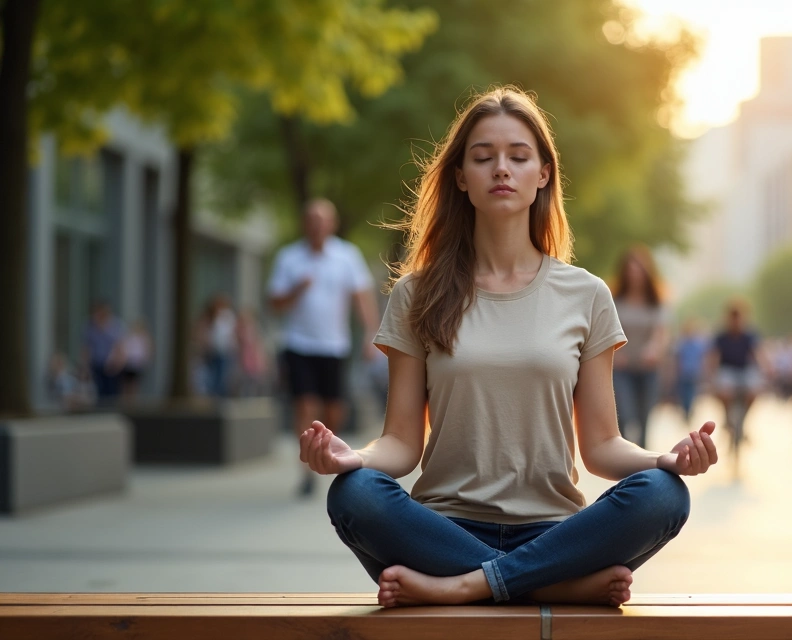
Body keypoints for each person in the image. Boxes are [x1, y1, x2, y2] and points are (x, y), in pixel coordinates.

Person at [299, 88, 714, 608]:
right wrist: (351, 457)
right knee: (354, 494)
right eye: (483, 157)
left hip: (553, 532)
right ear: (460, 178)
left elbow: (602, 446)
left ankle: (469, 586)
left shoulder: (586, 295)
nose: (501, 169)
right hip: (441, 529)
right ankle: (549, 585)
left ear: (543, 174)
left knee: (662, 494)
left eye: (518, 157)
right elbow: (402, 443)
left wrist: (665, 458)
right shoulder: (416, 294)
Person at [269, 198, 380, 497]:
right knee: (305, 405)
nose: (317, 226)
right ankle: (305, 469)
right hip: (299, 344)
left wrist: (371, 335)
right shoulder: (289, 258)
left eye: (323, 220)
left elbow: (362, 298)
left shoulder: (347, 256)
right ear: (305, 224)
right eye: (312, 220)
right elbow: (275, 303)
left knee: (334, 409)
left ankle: (325, 450)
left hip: (334, 345)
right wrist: (296, 290)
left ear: (332, 224)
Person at [610, 246, 670, 448]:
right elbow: (606, 330)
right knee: (625, 417)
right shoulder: (615, 300)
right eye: (630, 269)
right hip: (622, 369)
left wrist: (654, 349)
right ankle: (624, 463)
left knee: (645, 420)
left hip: (647, 369)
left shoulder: (655, 302)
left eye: (638, 269)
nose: (634, 273)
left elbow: (660, 333)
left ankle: (642, 468)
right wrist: (616, 353)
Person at [708, 300, 768, 442]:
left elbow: (758, 353)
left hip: (744, 371)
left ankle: (743, 421)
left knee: (754, 391)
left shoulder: (749, 335)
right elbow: (713, 357)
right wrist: (711, 374)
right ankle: (727, 417)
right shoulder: (721, 336)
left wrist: (766, 369)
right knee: (724, 390)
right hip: (727, 370)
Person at [196, 293, 238, 398]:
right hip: (211, 354)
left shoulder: (227, 318)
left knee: (222, 378)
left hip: (224, 353)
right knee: (212, 379)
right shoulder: (207, 320)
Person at [82, 300, 124, 404]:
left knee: (112, 391)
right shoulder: (90, 326)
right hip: (96, 363)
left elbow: (120, 346)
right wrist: (85, 365)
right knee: (99, 390)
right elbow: (86, 348)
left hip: (112, 364)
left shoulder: (115, 325)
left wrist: (118, 363)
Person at [672, 317, 710, 423]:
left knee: (691, 393)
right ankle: (686, 410)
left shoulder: (696, 343)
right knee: (685, 393)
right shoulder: (683, 343)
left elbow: (702, 358)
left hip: (693, 372)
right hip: (684, 372)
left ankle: (688, 410)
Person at [116, 318, 153, 401]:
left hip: (137, 365)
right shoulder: (129, 337)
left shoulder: (144, 338)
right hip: (128, 364)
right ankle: (126, 400)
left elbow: (147, 351)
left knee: (134, 384)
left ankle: (132, 400)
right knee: (126, 383)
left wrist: (145, 361)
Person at [235, 309, 269, 396]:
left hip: (252, 356)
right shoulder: (240, 331)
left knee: (255, 377)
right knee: (246, 378)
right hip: (245, 356)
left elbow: (258, 345)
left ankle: (255, 393)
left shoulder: (254, 331)